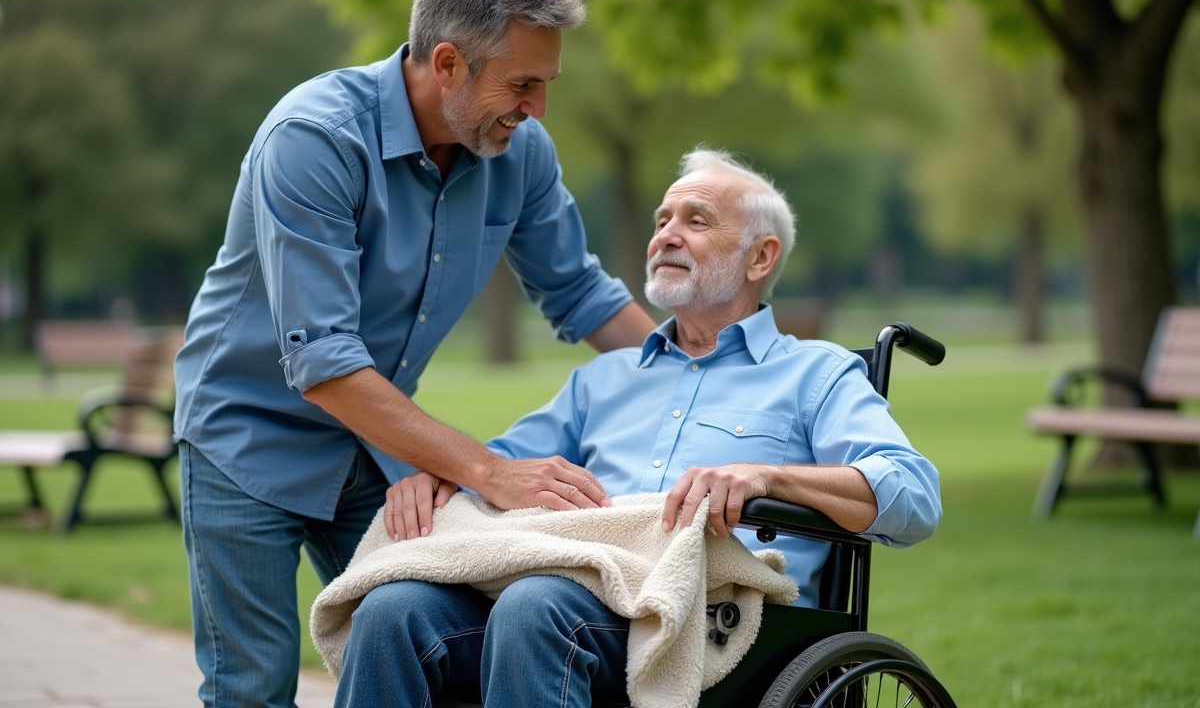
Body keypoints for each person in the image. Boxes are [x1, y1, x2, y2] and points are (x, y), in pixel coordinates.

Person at [172, 0, 657, 708]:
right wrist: (488, 471)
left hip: (377, 448)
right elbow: (325, 362)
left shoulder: (518, 151)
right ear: (447, 63)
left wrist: (708, 362)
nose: (537, 109)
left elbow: (579, 292)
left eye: (546, 84)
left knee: (425, 644)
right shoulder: (316, 139)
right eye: (522, 84)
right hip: (246, 440)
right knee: (251, 690)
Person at [335, 148, 942, 708]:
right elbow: (497, 468)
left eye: (696, 221)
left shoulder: (816, 372)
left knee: (537, 604)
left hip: (719, 616)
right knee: (395, 610)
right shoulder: (603, 380)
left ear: (761, 256)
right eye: (660, 220)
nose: (666, 236)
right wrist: (438, 479)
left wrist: (768, 477)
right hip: (583, 591)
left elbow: (913, 497)